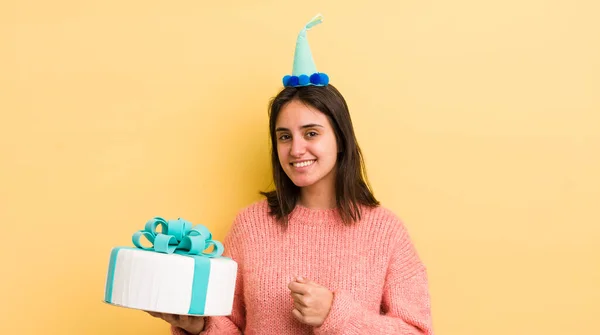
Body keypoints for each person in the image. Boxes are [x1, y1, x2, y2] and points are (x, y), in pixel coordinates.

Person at [148, 14, 433, 335]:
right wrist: (199, 327)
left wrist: (336, 314)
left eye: (311, 133)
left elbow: (418, 331)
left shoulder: (386, 231)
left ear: (340, 138)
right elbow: (228, 326)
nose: (296, 149)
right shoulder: (249, 227)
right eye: (284, 136)